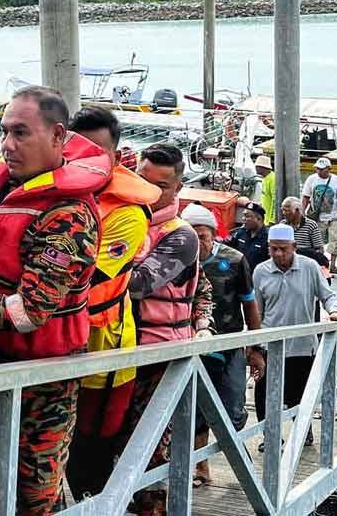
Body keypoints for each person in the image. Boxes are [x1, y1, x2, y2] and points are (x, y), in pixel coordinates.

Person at [0, 86, 108, 515]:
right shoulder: (6, 191)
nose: (8, 145)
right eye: (4, 132)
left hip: (42, 381)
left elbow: (31, 310)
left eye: (21, 134)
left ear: (57, 136)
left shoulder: (68, 214)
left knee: (33, 493)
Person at [111, 143, 215, 516]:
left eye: (163, 186)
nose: (152, 192)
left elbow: (138, 283)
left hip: (159, 356)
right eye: (143, 179)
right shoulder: (125, 220)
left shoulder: (180, 234)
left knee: (149, 444)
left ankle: (153, 510)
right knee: (112, 441)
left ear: (178, 187)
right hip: (119, 350)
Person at [65, 106, 162, 501]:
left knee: (92, 450)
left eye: (97, 151)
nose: (85, 159)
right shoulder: (51, 194)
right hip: (49, 348)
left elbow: (88, 280)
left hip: (104, 348)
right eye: (78, 149)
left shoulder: (127, 213)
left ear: (116, 156)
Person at [182, 203, 263, 486]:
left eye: (202, 235)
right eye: (190, 235)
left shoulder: (235, 259)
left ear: (214, 234)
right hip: (190, 349)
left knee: (235, 409)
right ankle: (200, 468)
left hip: (229, 345)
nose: (197, 242)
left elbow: (249, 303)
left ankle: (242, 461)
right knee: (196, 411)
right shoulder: (177, 260)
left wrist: (256, 347)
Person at [252, 224, 337, 449]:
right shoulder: (261, 271)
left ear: (294, 247)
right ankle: (270, 436)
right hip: (270, 345)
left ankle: (304, 431)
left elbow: (328, 296)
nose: (278, 254)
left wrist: (335, 311)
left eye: (283, 249)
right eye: (273, 249)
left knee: (299, 394)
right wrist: (254, 344)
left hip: (302, 347)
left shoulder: (310, 267)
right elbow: (256, 311)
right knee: (264, 393)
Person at [301, 157, 337, 273]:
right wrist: (302, 213)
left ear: (329, 169)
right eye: (318, 169)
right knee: (317, 242)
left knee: (334, 242)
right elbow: (306, 197)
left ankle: (333, 265)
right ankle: (319, 263)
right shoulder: (311, 179)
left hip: (333, 216)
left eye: (322, 169)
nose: (319, 171)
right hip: (316, 216)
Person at [280, 196, 327, 268]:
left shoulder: (311, 225)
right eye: (282, 210)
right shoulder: (282, 225)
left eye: (286, 210)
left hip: (306, 263)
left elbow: (319, 250)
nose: (284, 213)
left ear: (297, 210)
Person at [228, 201, 269, 272]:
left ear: (259, 219)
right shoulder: (240, 232)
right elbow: (230, 248)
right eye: (243, 215)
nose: (243, 219)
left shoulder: (268, 238)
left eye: (247, 216)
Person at [255, 155, 276, 225]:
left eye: (257, 166)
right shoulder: (264, 178)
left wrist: (272, 220)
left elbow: (275, 200)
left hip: (269, 221)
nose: (256, 168)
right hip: (264, 219)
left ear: (263, 167)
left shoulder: (273, 179)